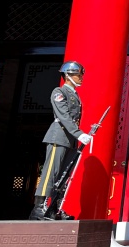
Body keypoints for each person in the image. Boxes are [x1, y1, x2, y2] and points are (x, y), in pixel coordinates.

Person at [28, 61, 92, 220]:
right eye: (78, 74)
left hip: (70, 139)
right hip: (59, 136)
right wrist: (79, 133)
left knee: (63, 175)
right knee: (51, 172)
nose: (81, 77)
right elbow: (64, 116)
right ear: (67, 76)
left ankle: (54, 209)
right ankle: (38, 208)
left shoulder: (75, 95)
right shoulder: (59, 92)